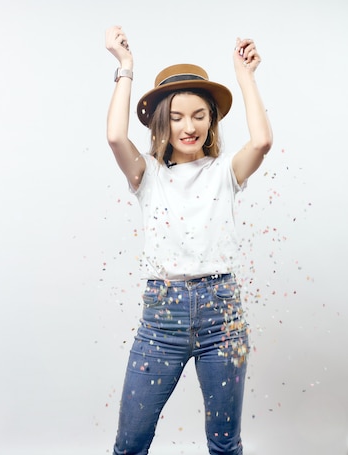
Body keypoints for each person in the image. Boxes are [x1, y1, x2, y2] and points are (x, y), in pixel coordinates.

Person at [104, 25, 272, 455]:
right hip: (162, 320)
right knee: (130, 443)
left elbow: (263, 141)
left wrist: (245, 76)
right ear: (162, 122)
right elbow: (115, 137)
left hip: (224, 319)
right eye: (176, 117)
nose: (188, 126)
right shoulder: (148, 176)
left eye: (199, 115)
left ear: (211, 120)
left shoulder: (225, 172)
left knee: (224, 444)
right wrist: (126, 68)